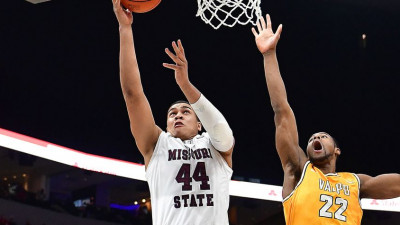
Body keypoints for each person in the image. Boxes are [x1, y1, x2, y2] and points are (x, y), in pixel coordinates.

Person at [251, 14, 400, 225]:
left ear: (337, 150)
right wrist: (269, 55)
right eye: (312, 138)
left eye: (323, 136)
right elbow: (281, 110)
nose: (315, 138)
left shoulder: (356, 182)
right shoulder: (298, 169)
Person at [111, 0, 234, 224]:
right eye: (172, 113)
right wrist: (125, 29)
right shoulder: (157, 144)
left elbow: (220, 129)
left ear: (199, 125)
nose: (177, 115)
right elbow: (132, 94)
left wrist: (186, 85)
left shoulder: (215, 146)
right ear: (166, 125)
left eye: (186, 111)